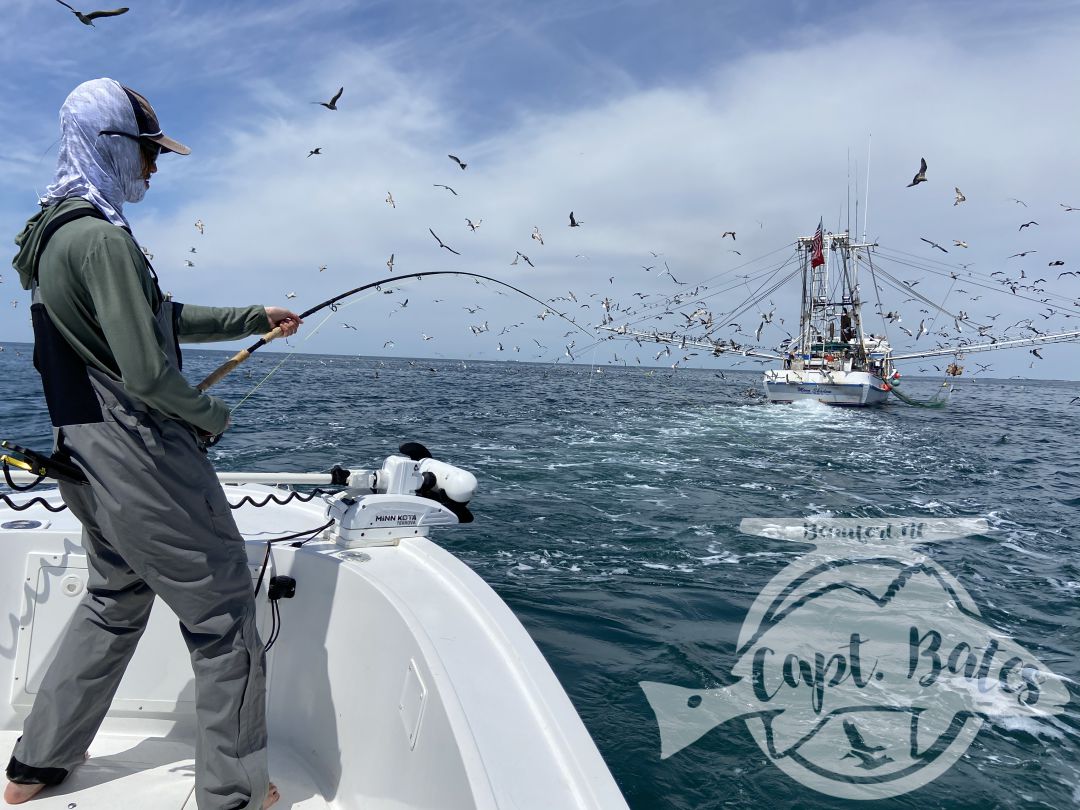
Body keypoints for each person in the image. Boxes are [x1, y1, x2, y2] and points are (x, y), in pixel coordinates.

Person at [6, 79, 300, 809]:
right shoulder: (104, 239)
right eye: (146, 152)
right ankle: (233, 796)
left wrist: (253, 316)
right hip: (140, 458)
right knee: (226, 613)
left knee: (114, 596)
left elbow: (154, 317)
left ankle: (34, 767)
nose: (154, 167)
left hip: (81, 455)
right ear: (111, 145)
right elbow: (142, 370)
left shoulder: (51, 233)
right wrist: (209, 417)